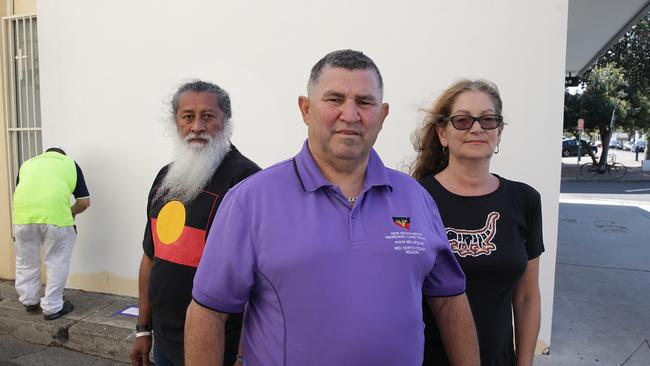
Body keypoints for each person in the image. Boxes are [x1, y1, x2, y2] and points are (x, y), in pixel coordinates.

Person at [185, 50, 479, 366]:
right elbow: (208, 312)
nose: (350, 115)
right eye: (335, 99)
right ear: (306, 109)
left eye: (365, 103)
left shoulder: (416, 198)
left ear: (383, 115)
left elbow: (449, 300)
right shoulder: (251, 201)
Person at [411, 79, 544, 366]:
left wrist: (524, 363)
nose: (476, 128)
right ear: (442, 133)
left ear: (499, 131)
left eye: (487, 119)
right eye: (462, 120)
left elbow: (527, 297)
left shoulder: (525, 200)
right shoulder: (414, 198)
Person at [129, 80, 261, 366]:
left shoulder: (247, 179)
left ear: (225, 122)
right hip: (164, 341)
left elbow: (259, 277)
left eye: (208, 116)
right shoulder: (166, 178)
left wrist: (243, 353)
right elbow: (151, 258)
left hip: (219, 345)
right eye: (188, 116)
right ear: (175, 122)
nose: (197, 126)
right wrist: (143, 329)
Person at [12, 147, 90, 320]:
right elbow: (84, 202)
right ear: (62, 155)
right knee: (57, 261)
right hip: (56, 220)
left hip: (23, 218)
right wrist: (71, 212)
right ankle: (52, 307)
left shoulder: (27, 164)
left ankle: (29, 300)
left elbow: (20, 192)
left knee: (26, 261)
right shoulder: (69, 163)